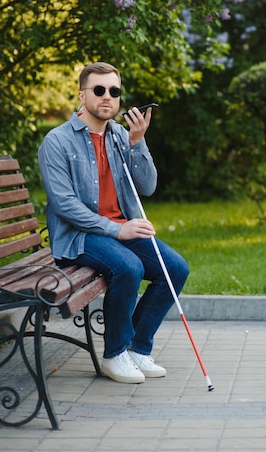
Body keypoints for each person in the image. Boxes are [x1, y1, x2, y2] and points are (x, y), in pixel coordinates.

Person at [38, 61, 189, 384]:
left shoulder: (121, 135)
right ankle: (115, 354)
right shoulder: (57, 141)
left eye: (114, 91)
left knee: (175, 268)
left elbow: (147, 186)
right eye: (99, 90)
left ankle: (137, 347)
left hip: (121, 229)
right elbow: (64, 205)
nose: (107, 97)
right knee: (129, 267)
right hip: (78, 236)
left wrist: (138, 141)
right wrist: (117, 229)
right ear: (82, 94)